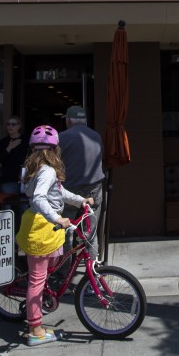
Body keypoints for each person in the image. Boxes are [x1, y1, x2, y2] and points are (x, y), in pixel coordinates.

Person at [17, 125, 93, 346]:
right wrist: (57, 218)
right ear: (54, 149)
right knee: (37, 279)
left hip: (41, 225)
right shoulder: (47, 171)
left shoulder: (38, 168)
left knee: (44, 275)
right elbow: (40, 198)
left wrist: (80, 201)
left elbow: (59, 192)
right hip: (43, 226)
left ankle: (40, 309)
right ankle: (35, 329)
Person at [57, 105, 105, 267]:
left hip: (70, 189)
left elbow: (54, 164)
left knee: (66, 232)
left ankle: (64, 274)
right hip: (94, 188)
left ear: (69, 120)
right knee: (90, 233)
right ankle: (93, 275)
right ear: (84, 121)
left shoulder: (61, 138)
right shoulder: (96, 136)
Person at [0, 115, 29, 194]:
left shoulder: (26, 140)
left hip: (24, 179)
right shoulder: (3, 142)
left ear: (19, 126)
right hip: (9, 180)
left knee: (24, 205)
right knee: (7, 205)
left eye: (13, 124)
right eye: (8, 124)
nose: (10, 126)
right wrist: (9, 148)